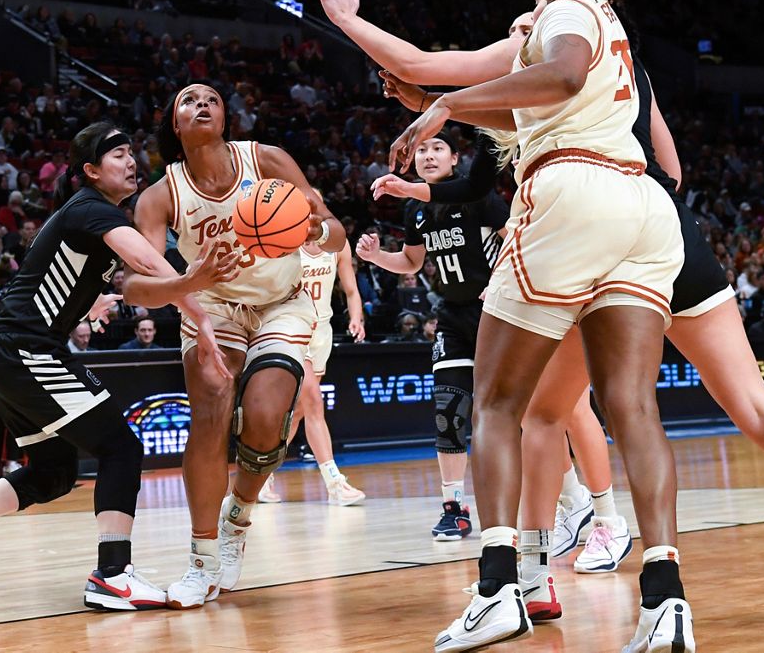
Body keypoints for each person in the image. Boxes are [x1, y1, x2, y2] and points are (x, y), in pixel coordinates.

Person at [344, 0, 764, 639]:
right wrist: (423, 100)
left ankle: (527, 578)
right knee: (754, 404)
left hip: (599, 232)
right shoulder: (623, 71)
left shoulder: (552, 39)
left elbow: (434, 65)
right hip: (666, 227)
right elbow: (671, 166)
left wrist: (352, 24)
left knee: (539, 412)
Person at [0, 121, 237, 612]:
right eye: (118, 154)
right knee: (120, 446)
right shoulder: (91, 209)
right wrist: (197, 301)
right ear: (91, 171)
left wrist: (98, 301)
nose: (130, 161)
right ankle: (112, 575)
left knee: (53, 473)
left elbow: (63, 282)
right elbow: (148, 264)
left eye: (131, 152)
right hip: (27, 351)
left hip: (16, 352)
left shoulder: (90, 218)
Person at [127, 83, 344, 610]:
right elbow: (134, 287)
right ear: (174, 125)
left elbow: (336, 230)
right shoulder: (161, 197)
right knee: (210, 411)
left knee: (268, 416)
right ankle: (201, 560)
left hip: (282, 301)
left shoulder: (266, 160)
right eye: (187, 100)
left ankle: (238, 514)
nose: (201, 105)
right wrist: (184, 283)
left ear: (225, 118)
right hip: (212, 307)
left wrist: (317, 230)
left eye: (211, 100)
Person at [356, 133, 507, 539]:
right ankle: (454, 507)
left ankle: (562, 498)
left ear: (455, 158)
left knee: (516, 414)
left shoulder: (477, 196)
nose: (427, 154)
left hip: (498, 313)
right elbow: (410, 261)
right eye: (420, 149)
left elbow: (519, 235)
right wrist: (374, 257)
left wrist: (502, 282)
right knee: (448, 412)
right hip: (453, 316)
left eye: (437, 147)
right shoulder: (415, 210)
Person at [259, 235, 367, 506]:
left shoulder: (338, 245)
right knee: (314, 401)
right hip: (294, 327)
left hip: (322, 331)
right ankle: (335, 483)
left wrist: (356, 318)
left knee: (297, 412)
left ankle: (259, 475)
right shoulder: (286, 241)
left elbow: (351, 290)